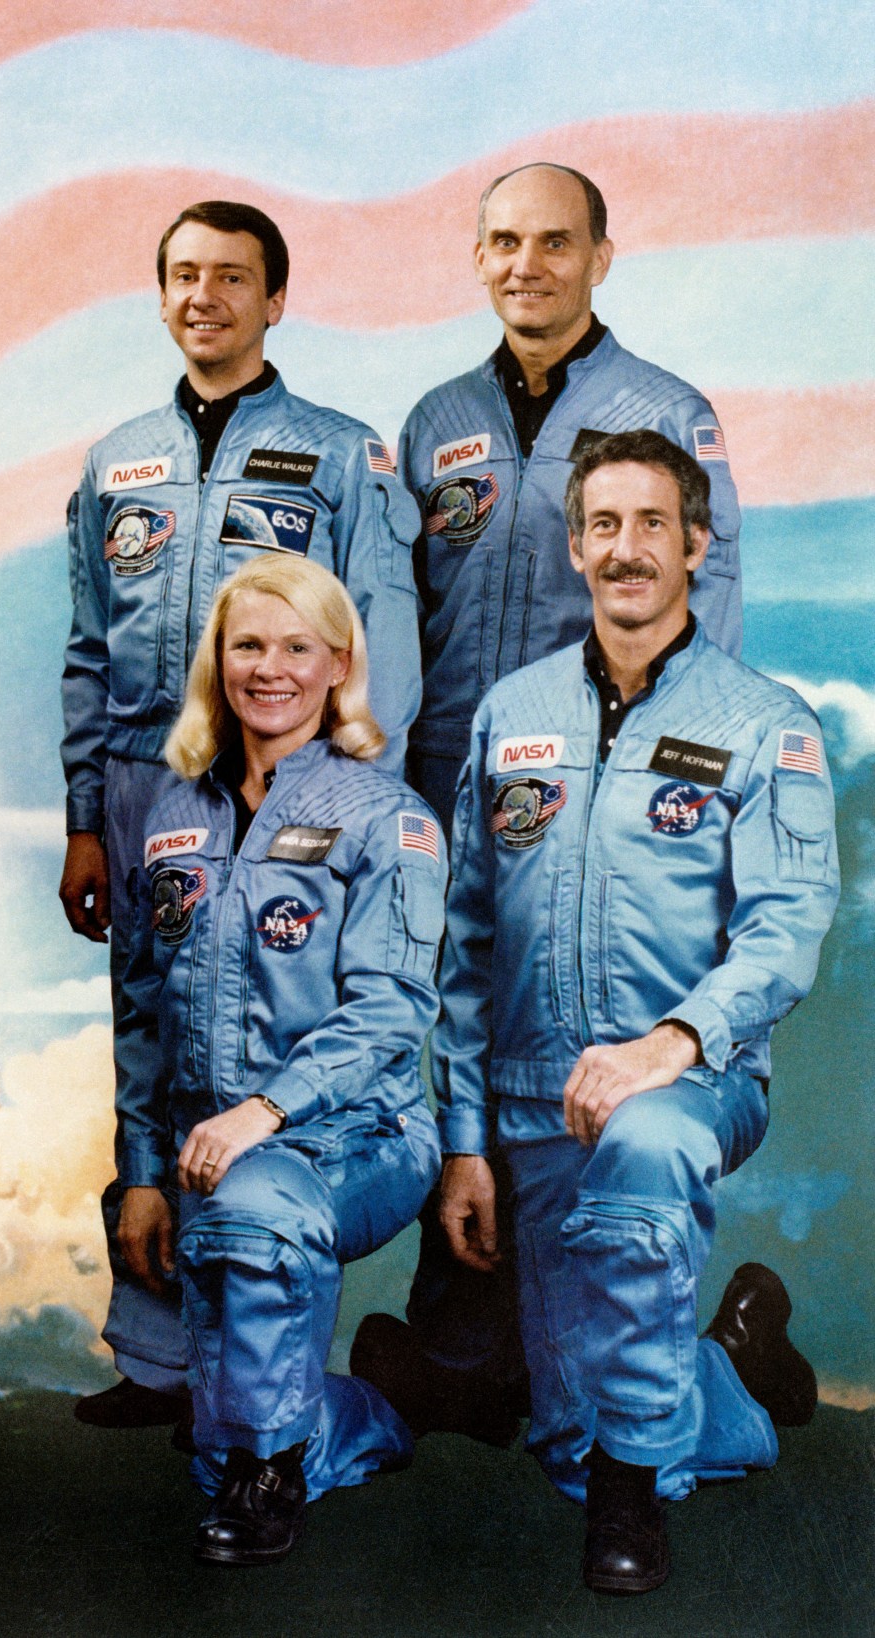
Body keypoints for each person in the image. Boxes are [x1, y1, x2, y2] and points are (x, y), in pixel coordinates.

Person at [358, 161, 749, 1450]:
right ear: (475, 259)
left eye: (553, 242)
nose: (526, 264)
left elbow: (711, 636)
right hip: (448, 797)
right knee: (454, 1058)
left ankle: (677, 1358)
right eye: (503, 243)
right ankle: (470, 1336)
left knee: (585, 1082)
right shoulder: (434, 424)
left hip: (605, 804)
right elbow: (392, 624)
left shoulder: (662, 414)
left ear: (599, 255)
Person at [431, 431, 834, 1593]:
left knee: (648, 1147)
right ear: (573, 546)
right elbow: (464, 945)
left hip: (694, 1082)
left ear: (695, 544)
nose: (625, 549)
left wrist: (669, 1047)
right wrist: (464, 1142)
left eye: (651, 524)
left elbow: (783, 926)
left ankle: (628, 1506)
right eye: (601, 525)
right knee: (570, 1431)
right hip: (532, 1100)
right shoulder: (511, 716)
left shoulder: (764, 723)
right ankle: (733, 1370)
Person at [60, 201, 423, 1434]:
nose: (202, 296)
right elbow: (81, 649)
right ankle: (156, 1355)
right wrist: (81, 819)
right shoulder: (115, 461)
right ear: (157, 294)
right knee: (151, 1030)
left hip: (296, 789)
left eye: (230, 277)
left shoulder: (337, 452)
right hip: (144, 792)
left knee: (276, 1028)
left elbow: (382, 636)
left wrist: (363, 794)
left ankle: (256, 1335)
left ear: (275, 299)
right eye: (180, 275)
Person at [117, 553, 442, 1563]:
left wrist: (267, 1110)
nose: (269, 669)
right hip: (207, 1147)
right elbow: (139, 1014)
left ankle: (271, 1467)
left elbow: (391, 1007)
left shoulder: (383, 817)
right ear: (215, 661)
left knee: (254, 1220)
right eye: (245, 644)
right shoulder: (172, 816)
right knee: (208, 1451)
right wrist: (139, 1175)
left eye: (295, 647)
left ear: (337, 664)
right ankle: (346, 1418)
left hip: (357, 1137)